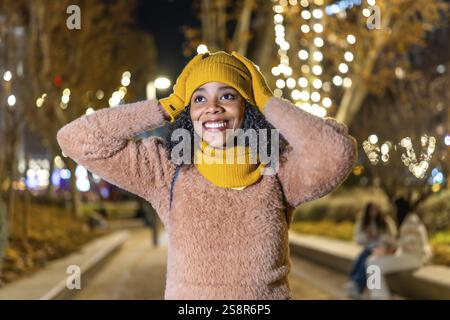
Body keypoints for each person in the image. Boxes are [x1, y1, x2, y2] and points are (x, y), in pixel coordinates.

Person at [56, 51, 357, 300]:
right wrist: (166, 105)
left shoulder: (277, 169)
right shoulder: (167, 169)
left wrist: (269, 102)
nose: (212, 108)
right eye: (198, 99)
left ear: (247, 106)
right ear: (188, 111)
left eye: (228, 95)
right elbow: (77, 139)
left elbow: (336, 154)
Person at [365, 197, 432, 300]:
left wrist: (390, 248)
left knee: (373, 265)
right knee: (371, 261)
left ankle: (380, 297)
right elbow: (405, 243)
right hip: (408, 255)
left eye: (394, 209)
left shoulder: (412, 221)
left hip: (414, 258)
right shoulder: (409, 219)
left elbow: (412, 245)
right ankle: (379, 296)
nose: (393, 212)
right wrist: (390, 248)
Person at [346, 202, 397, 299]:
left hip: (382, 251)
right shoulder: (363, 223)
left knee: (364, 260)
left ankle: (356, 285)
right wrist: (367, 236)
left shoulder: (385, 222)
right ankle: (355, 286)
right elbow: (357, 239)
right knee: (362, 259)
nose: (374, 212)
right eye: (371, 210)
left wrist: (379, 237)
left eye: (376, 209)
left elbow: (391, 238)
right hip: (369, 250)